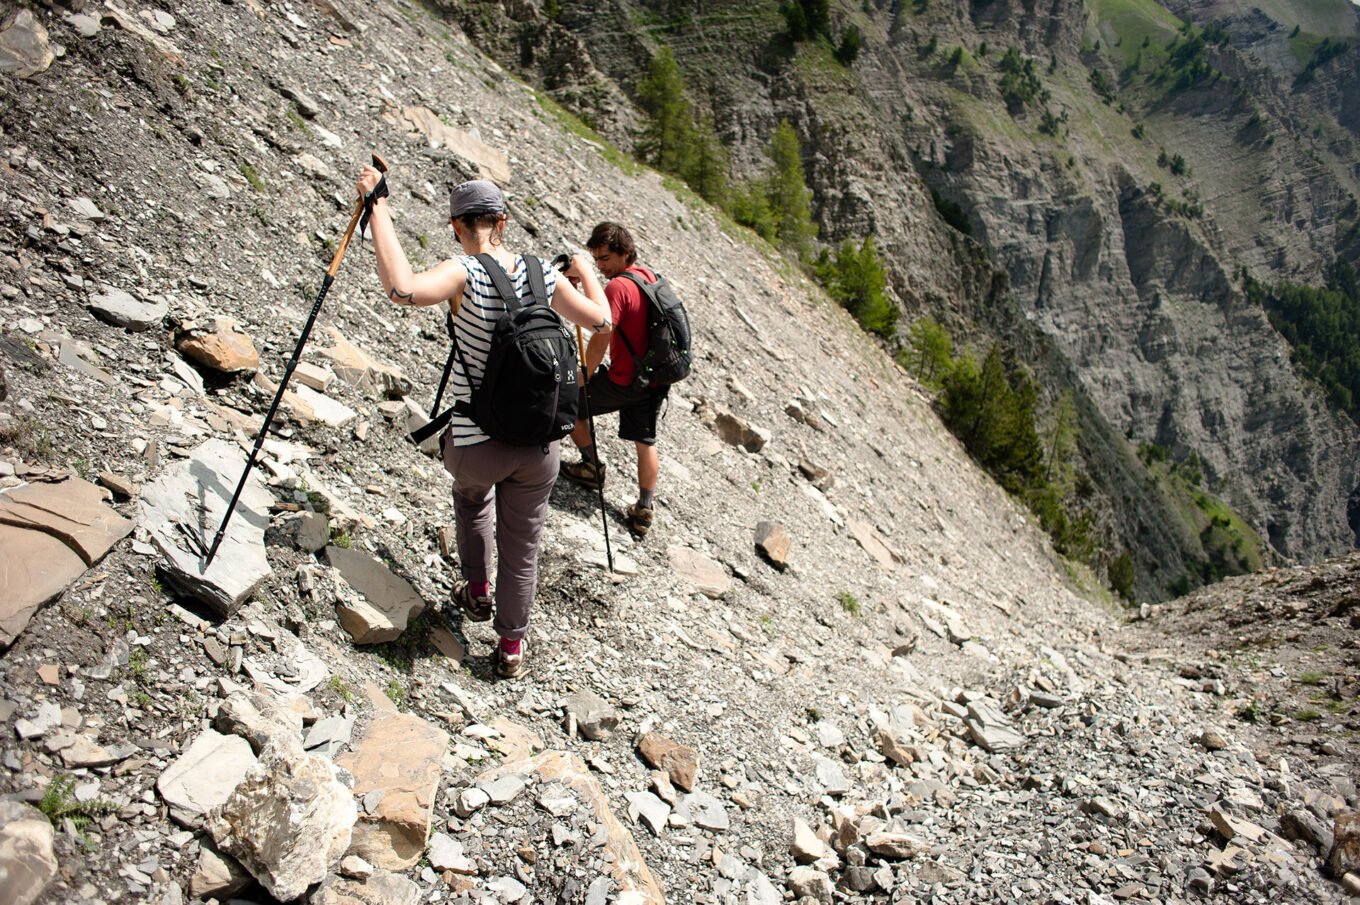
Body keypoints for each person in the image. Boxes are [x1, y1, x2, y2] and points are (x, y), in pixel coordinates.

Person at [355, 167, 609, 678]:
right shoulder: (544, 273)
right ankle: (511, 647)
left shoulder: (462, 273)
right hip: (541, 447)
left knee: (473, 499)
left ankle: (475, 590)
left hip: (477, 443)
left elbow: (402, 289)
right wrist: (586, 269)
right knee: (525, 545)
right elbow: (602, 320)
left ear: (455, 226)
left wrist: (376, 206)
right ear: (503, 222)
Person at [560, 222, 667, 538]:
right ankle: (645, 508)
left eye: (606, 259)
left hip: (623, 380)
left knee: (569, 405)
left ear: (624, 253)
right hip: (653, 380)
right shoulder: (648, 277)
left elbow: (601, 329)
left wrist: (584, 375)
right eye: (597, 261)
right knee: (645, 441)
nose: (602, 267)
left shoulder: (618, 287)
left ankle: (592, 467)